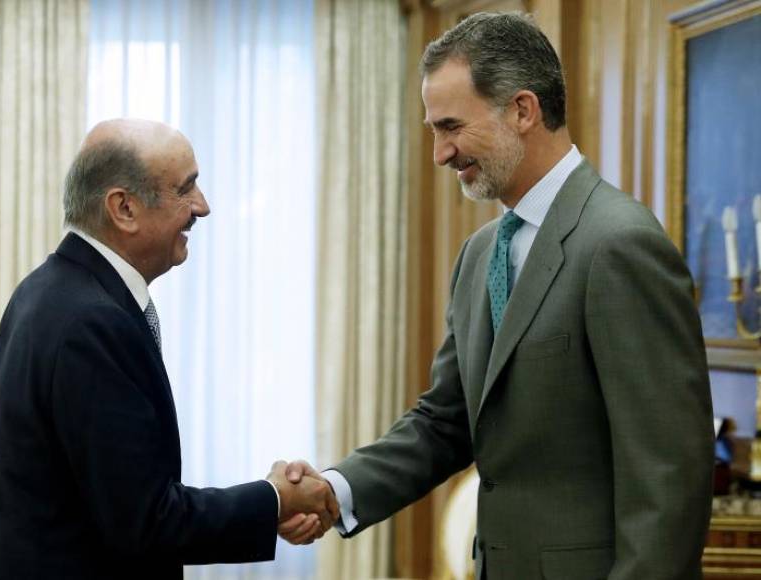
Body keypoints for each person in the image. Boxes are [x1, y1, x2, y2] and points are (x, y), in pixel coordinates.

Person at [281, 12, 713, 580]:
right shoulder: (481, 253)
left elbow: (669, 480)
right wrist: (337, 490)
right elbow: (445, 421)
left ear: (523, 110)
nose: (439, 153)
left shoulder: (620, 243)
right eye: (435, 129)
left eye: (451, 126)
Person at [0, 119, 337, 579]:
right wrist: (275, 498)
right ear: (124, 208)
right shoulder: (91, 321)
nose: (202, 207)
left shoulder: (51, 289)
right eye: (186, 189)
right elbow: (145, 520)